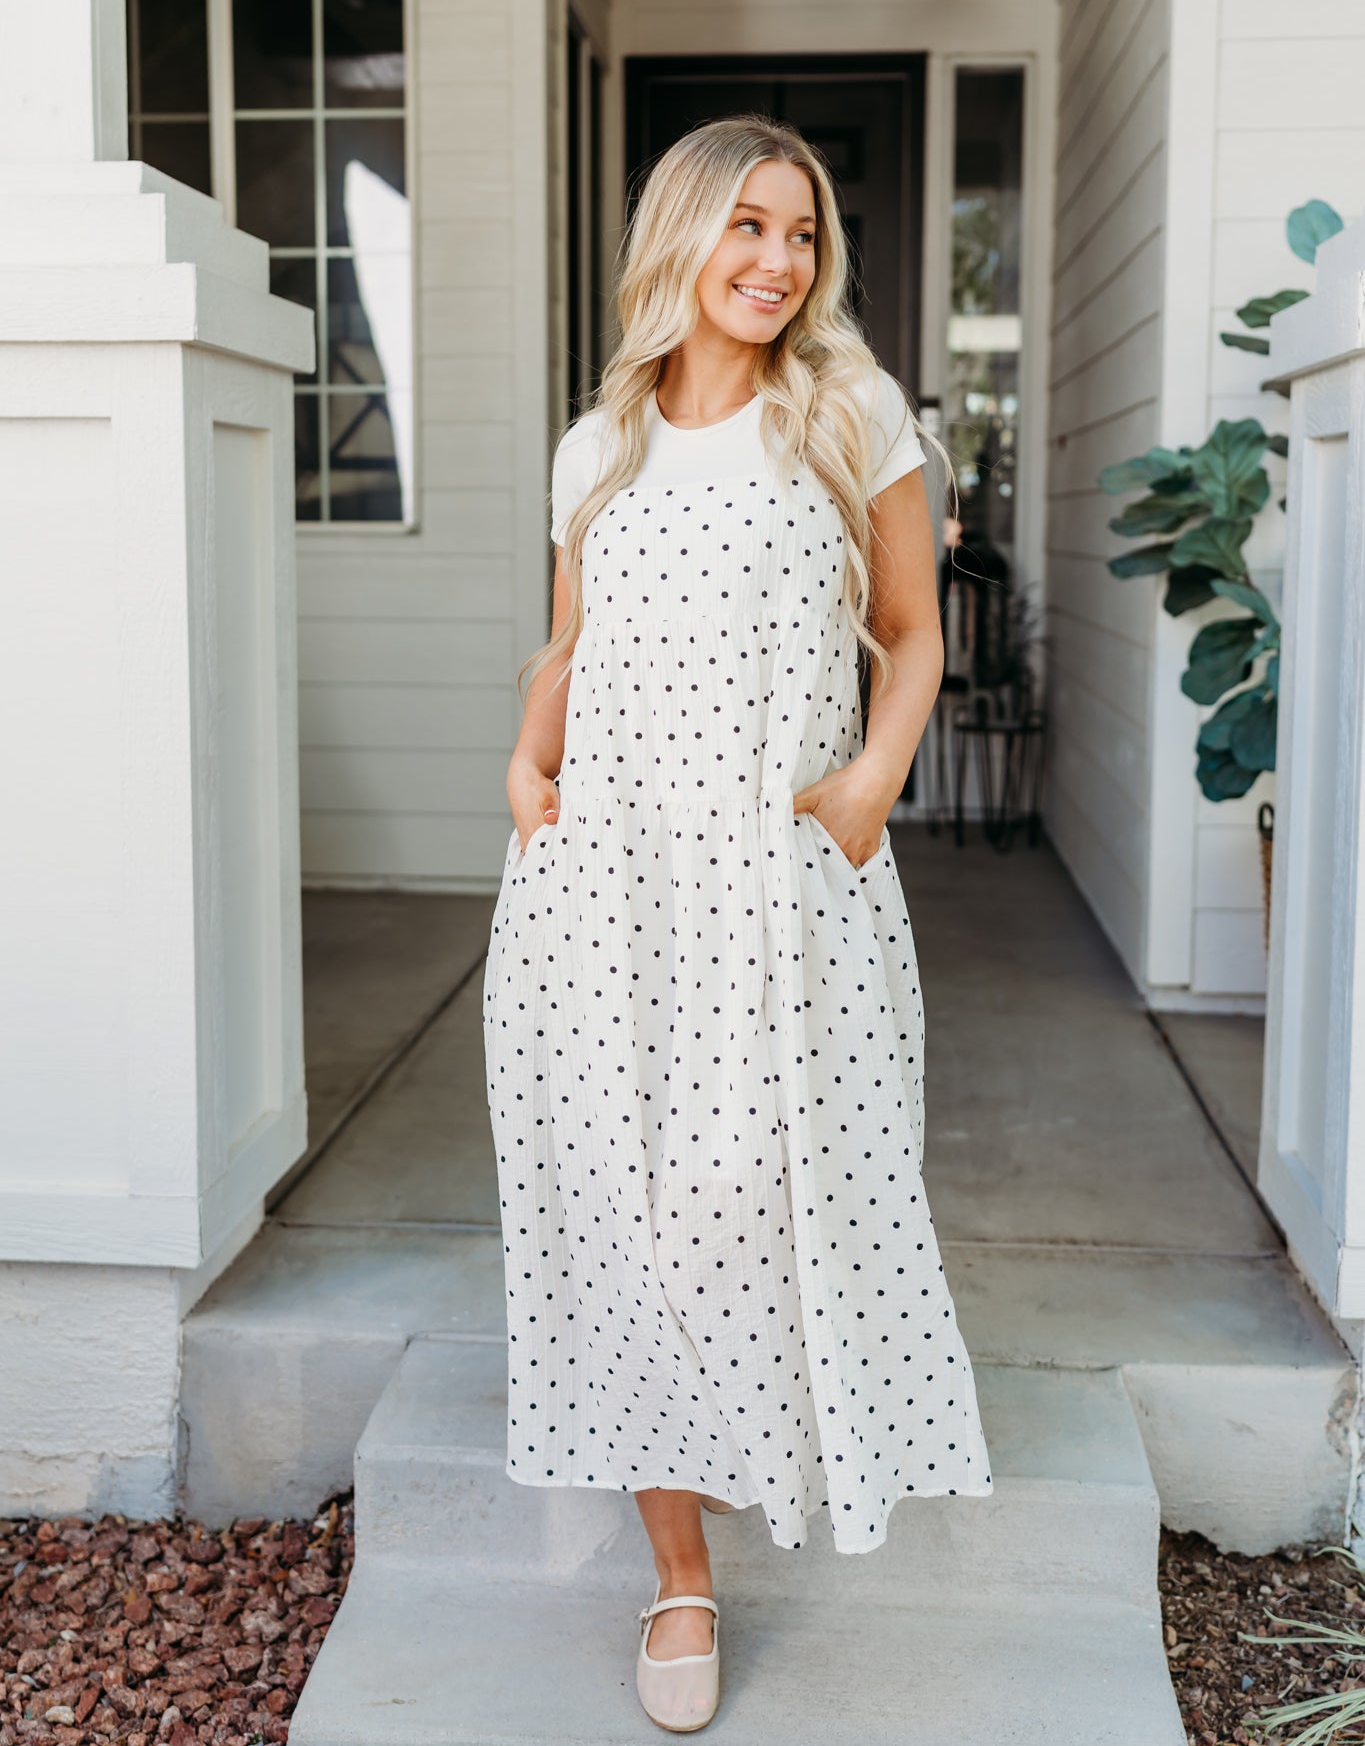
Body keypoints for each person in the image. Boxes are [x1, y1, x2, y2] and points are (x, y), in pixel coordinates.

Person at [483, 116, 991, 1733]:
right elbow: (568, 654)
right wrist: (518, 757)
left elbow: (911, 635)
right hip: (599, 892)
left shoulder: (846, 410)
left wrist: (865, 792)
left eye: (801, 234)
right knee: (616, 1225)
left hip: (783, 893)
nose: (776, 262)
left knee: (763, 1203)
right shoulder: (597, 445)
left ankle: (788, 1455)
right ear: (681, 240)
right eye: (747, 228)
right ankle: (680, 1578)